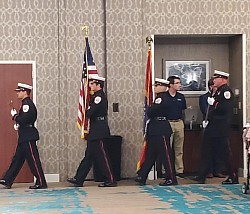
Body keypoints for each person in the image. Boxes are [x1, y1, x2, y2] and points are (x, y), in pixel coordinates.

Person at [67, 75, 117, 187]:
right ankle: (79, 178)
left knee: (103, 157)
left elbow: (90, 113)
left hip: (99, 130)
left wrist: (88, 107)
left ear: (98, 85)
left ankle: (111, 179)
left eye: (92, 84)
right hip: (95, 130)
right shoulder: (95, 97)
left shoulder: (99, 97)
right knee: (88, 156)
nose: (90, 86)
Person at [192, 70, 237, 184]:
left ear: (223, 79)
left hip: (220, 127)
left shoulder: (226, 91)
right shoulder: (217, 91)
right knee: (206, 150)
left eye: (216, 78)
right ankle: (202, 175)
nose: (214, 80)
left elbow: (225, 108)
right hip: (213, 126)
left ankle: (233, 176)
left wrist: (214, 104)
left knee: (224, 152)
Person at [0, 83, 47, 189]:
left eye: (19, 91)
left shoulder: (27, 104)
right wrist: (18, 123)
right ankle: (8, 179)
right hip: (24, 136)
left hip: (28, 136)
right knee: (17, 159)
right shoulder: (25, 103)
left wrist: (15, 116)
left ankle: (41, 182)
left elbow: (24, 119)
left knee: (33, 160)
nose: (17, 93)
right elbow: (25, 120)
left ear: (25, 92)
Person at [135, 78, 177, 186]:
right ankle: (142, 175)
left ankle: (171, 177)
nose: (155, 87)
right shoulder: (158, 98)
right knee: (150, 154)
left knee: (166, 154)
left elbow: (151, 111)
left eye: (157, 85)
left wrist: (150, 109)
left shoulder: (162, 98)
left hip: (161, 128)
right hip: (155, 128)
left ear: (163, 87)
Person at [199, 79, 225, 178]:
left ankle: (217, 170)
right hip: (208, 125)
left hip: (218, 126)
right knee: (207, 150)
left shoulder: (220, 97)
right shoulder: (203, 97)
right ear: (211, 87)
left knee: (218, 149)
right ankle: (208, 171)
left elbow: (222, 110)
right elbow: (205, 110)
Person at [166, 76, 187, 178]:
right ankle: (167, 170)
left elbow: (183, 110)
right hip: (168, 123)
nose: (179, 85)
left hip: (179, 122)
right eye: (177, 83)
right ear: (171, 85)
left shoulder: (181, 97)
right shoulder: (164, 96)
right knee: (167, 148)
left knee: (179, 148)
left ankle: (179, 170)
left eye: (179, 83)